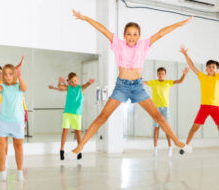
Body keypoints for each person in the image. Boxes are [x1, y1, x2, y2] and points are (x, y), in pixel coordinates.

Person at [67, 9, 193, 159]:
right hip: (122, 87)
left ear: (139, 36)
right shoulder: (117, 43)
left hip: (138, 87)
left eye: (135, 34)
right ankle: (79, 147)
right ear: (124, 35)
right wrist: (85, 18)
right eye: (128, 34)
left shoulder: (144, 44)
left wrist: (181, 23)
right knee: (102, 117)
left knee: (159, 117)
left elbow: (161, 33)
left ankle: (178, 142)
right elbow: (102, 29)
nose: (131, 37)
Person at [179, 45, 219, 160]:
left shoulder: (218, 77)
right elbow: (192, 66)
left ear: (216, 70)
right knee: (194, 128)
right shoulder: (202, 77)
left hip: (216, 108)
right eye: (208, 67)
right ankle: (186, 146)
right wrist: (185, 54)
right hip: (204, 107)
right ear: (206, 69)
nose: (210, 68)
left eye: (213, 67)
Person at [143, 66, 189, 157]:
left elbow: (180, 81)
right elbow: (142, 82)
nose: (161, 75)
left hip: (165, 108)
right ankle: (155, 149)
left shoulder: (168, 82)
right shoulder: (153, 82)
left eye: (162, 74)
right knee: (156, 128)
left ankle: (170, 147)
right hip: (155, 108)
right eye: (159, 74)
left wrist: (184, 74)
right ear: (157, 75)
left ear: (165, 75)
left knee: (167, 129)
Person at [0, 60, 27, 181]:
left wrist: (20, 77)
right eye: (5, 74)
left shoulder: (18, 85)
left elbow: (24, 88)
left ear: (14, 74)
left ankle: (19, 171)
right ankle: (2, 172)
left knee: (18, 147)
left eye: (10, 73)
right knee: (1, 146)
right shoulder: (3, 86)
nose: (7, 76)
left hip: (17, 122)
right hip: (3, 121)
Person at [49, 73, 95, 160]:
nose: (74, 82)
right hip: (67, 113)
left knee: (77, 132)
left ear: (77, 80)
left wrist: (90, 82)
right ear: (69, 82)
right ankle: (61, 151)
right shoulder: (68, 88)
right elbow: (60, 86)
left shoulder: (80, 88)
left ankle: (79, 150)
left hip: (77, 114)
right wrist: (59, 82)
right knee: (65, 131)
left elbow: (86, 85)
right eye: (72, 81)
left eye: (75, 80)